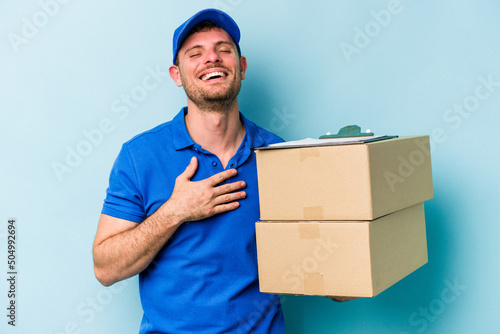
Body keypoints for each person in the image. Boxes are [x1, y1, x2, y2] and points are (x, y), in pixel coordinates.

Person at [92, 8, 286, 334]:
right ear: (176, 75)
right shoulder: (140, 156)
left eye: (224, 50)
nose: (212, 59)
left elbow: (320, 256)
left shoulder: (281, 155)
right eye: (195, 53)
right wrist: (176, 210)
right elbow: (105, 268)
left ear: (241, 67)